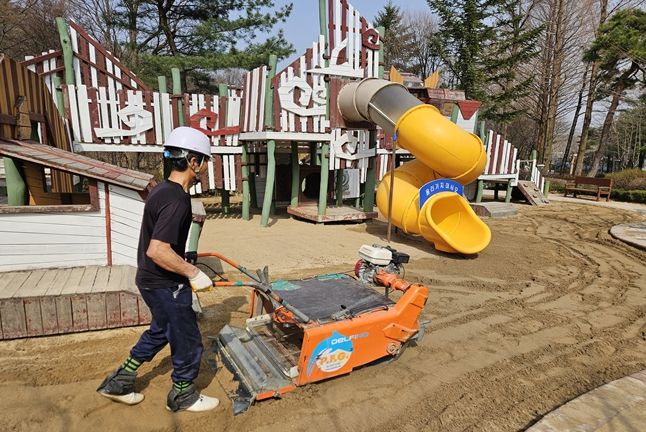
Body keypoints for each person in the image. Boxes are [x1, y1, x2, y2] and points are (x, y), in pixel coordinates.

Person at [97, 127, 218, 412]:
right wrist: (192, 272)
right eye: (204, 161)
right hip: (166, 284)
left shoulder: (162, 190)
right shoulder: (177, 199)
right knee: (187, 338)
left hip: (150, 279)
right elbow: (158, 250)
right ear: (193, 162)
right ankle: (183, 395)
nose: (204, 167)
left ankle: (119, 382)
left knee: (161, 330)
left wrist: (184, 259)